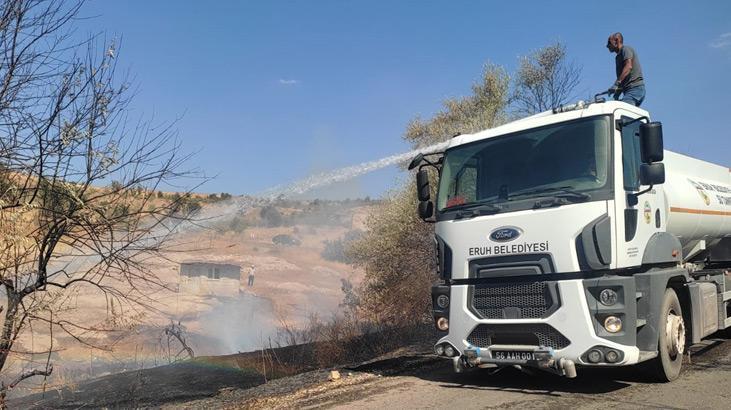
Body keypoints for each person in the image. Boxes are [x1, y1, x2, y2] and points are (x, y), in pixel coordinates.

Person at [606, 32, 645, 106]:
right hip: (629, 91)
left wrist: (616, 84)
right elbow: (623, 78)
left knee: (621, 108)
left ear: (616, 40)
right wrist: (617, 93)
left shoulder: (625, 49)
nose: (607, 46)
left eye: (609, 42)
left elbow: (628, 66)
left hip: (635, 89)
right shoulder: (618, 57)